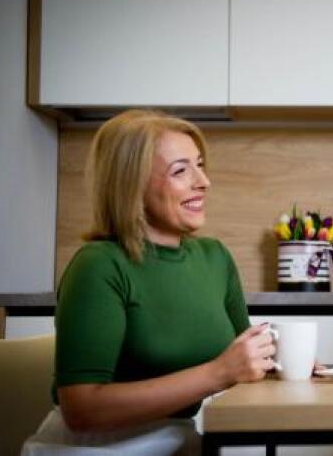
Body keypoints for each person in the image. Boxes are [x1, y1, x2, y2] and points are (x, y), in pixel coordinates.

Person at [22, 109, 277, 455]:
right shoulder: (98, 265)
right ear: (132, 185)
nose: (203, 181)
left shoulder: (215, 258)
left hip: (178, 442)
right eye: (180, 171)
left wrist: (287, 364)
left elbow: (244, 364)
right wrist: (218, 373)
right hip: (97, 448)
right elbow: (82, 409)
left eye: (200, 165)